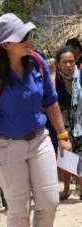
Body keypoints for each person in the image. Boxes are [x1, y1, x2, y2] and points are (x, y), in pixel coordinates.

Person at [0, 13, 71, 227]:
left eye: (27, 34)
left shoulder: (36, 61)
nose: (28, 39)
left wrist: (62, 135)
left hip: (40, 140)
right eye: (21, 37)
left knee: (49, 201)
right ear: (5, 45)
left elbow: (50, 101)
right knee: (18, 211)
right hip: (6, 148)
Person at [50, 47, 82, 200]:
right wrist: (52, 74)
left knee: (80, 156)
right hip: (62, 124)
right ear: (58, 63)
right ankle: (67, 188)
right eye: (64, 62)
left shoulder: (80, 77)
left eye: (71, 61)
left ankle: (81, 189)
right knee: (66, 157)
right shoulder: (55, 79)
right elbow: (51, 98)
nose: (69, 65)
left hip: (80, 122)